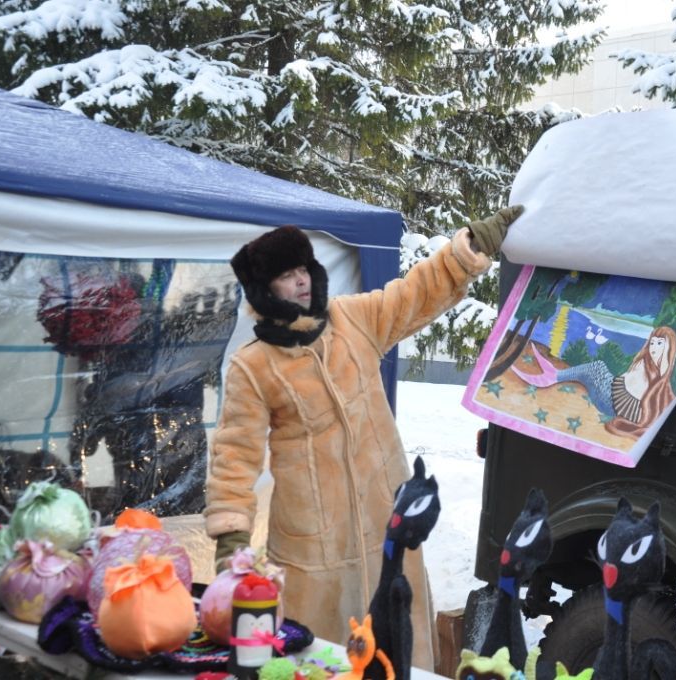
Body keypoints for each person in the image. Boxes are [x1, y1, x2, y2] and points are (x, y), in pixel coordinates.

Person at [203, 207, 522, 669]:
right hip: (313, 544)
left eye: (302, 270)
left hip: (387, 524)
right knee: (325, 660)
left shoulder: (352, 320)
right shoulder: (252, 367)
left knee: (400, 648)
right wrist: (231, 538)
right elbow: (235, 454)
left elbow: (414, 294)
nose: (300, 282)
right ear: (263, 290)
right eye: (286, 276)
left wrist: (469, 248)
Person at [511, 325, 676, 438]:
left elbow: (630, 392)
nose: (653, 347)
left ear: (669, 347)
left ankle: (552, 377)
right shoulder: (654, 368)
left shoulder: (653, 370)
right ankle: (555, 373)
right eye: (652, 343)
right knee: (597, 368)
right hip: (617, 395)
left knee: (596, 368)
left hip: (612, 404)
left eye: (660, 344)